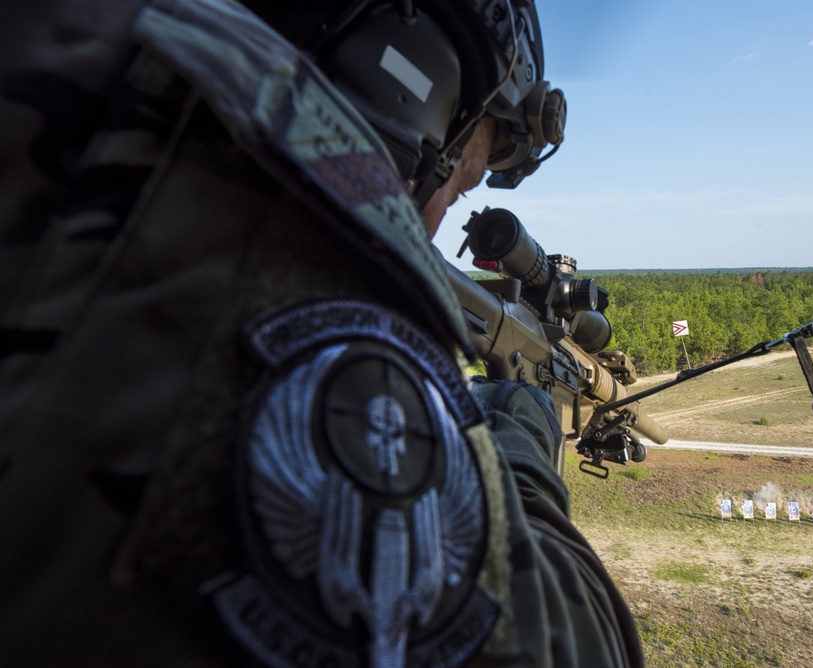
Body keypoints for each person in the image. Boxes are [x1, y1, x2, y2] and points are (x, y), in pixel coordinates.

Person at [0, 1, 643, 666]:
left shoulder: (78, 44)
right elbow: (573, 647)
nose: (427, 225)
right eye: (456, 188)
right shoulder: (248, 173)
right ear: (405, 86)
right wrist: (521, 442)